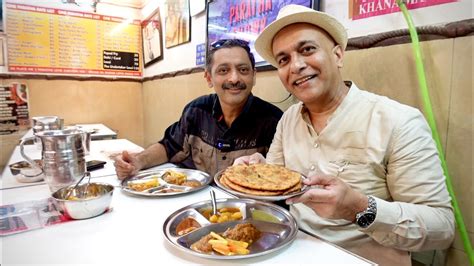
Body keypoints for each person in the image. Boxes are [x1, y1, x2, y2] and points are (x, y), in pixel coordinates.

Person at [234, 5, 455, 265]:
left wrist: (359, 208)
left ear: (338, 55)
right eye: (283, 59)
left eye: (307, 49)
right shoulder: (288, 119)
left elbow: (442, 228)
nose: (296, 65)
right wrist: (257, 173)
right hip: (293, 251)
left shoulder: (398, 121)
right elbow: (277, 184)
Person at [114, 39, 283, 179]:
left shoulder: (274, 121)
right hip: (196, 200)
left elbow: (281, 177)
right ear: (209, 78)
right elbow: (168, 146)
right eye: (223, 70)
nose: (234, 78)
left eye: (243, 70)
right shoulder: (196, 111)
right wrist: (138, 161)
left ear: (254, 76)